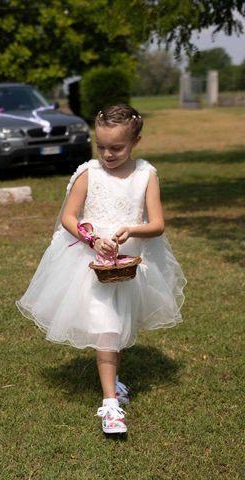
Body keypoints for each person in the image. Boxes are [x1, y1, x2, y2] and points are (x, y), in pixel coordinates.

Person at [16, 104, 186, 435]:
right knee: (107, 329)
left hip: (128, 266)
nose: (107, 154)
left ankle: (113, 381)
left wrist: (131, 230)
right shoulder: (88, 173)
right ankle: (110, 405)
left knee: (118, 326)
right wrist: (92, 238)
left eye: (117, 148)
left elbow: (158, 224)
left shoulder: (145, 176)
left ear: (136, 140)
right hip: (89, 264)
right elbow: (69, 217)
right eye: (102, 146)